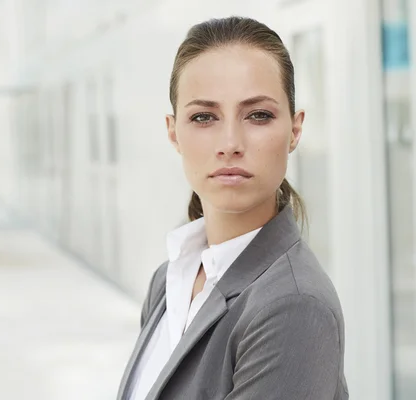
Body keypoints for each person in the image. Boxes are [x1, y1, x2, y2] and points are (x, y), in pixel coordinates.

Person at [117, 16, 348, 400]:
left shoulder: (293, 306)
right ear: (173, 132)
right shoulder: (170, 281)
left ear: (294, 129)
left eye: (258, 115)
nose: (230, 143)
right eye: (203, 117)